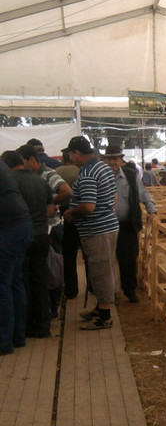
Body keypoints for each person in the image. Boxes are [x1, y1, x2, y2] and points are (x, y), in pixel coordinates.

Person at [62, 136, 119, 330]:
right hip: (108, 225)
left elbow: (87, 206)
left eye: (70, 153)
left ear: (77, 153)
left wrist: (70, 213)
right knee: (103, 268)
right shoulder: (103, 167)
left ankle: (105, 316)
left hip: (97, 229)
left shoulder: (87, 174)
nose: (69, 157)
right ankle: (100, 307)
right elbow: (113, 196)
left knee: (100, 270)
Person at [2, 151, 54, 340]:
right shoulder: (41, 181)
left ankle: (24, 328)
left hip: (17, 236)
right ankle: (43, 326)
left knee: (20, 282)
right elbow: (50, 209)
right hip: (41, 235)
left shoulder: (12, 183)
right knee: (40, 282)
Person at [17, 144, 72, 318]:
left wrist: (51, 203)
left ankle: (54, 307)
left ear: (32, 159)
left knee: (53, 269)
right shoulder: (31, 177)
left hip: (52, 228)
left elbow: (67, 191)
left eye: (23, 162)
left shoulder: (48, 174)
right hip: (40, 229)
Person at [103, 146, 157, 303]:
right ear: (105, 160)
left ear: (121, 160)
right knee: (107, 260)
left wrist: (151, 209)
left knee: (129, 259)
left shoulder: (131, 175)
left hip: (127, 225)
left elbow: (143, 193)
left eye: (116, 158)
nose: (113, 162)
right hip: (105, 225)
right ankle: (108, 292)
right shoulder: (100, 176)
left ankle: (130, 290)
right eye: (109, 158)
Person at [0, 156, 35, 354]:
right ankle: (18, 337)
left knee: (2, 286)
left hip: (8, 229)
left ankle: (4, 343)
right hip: (22, 225)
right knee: (15, 283)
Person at [56, 150, 81, 299]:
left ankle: (71, 290)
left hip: (64, 212)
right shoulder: (81, 171)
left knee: (69, 253)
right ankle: (92, 287)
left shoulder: (57, 172)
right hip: (83, 211)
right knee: (88, 253)